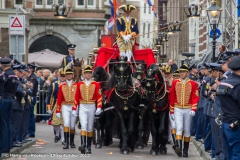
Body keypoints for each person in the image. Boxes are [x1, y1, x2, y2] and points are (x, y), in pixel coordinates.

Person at [169, 64, 199, 157]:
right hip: (178, 108)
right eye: (180, 72)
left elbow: (195, 96)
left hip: (188, 108)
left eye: (183, 72)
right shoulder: (175, 82)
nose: (181, 73)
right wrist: (172, 111)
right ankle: (178, 147)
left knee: (186, 129)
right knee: (179, 127)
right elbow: (172, 97)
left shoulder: (193, 83)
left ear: (187, 73)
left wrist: (194, 108)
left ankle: (185, 150)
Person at [74, 65, 102, 154]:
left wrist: (99, 107)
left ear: (91, 74)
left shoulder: (96, 84)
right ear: (84, 74)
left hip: (91, 106)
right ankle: (83, 145)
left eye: (89, 73)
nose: (88, 75)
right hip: (82, 106)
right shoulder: (79, 84)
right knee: (84, 125)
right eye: (86, 73)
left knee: (90, 127)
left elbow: (99, 96)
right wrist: (75, 108)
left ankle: (89, 147)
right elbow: (76, 96)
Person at [216, 56, 240, 160]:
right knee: (237, 154)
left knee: (229, 153)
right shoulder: (238, 85)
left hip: (226, 122)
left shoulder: (223, 84)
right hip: (236, 124)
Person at [0, 58, 19, 153]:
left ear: (2, 65)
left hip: (4, 100)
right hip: (11, 99)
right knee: (8, 123)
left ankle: (4, 146)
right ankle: (8, 145)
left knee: (3, 124)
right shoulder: (14, 75)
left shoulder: (5, 75)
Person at [56, 68, 77, 149]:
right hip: (65, 106)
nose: (69, 76)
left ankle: (72, 142)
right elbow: (59, 98)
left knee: (72, 125)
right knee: (66, 123)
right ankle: (66, 142)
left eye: (70, 74)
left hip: (73, 106)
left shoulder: (76, 85)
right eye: (67, 75)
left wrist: (76, 108)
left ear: (72, 75)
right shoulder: (62, 86)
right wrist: (58, 110)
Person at [46, 68, 66, 145]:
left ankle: (64, 139)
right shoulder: (55, 84)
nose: (63, 77)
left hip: (65, 105)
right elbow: (50, 95)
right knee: (55, 123)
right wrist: (48, 107)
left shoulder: (69, 84)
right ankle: (57, 134)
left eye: (64, 76)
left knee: (65, 123)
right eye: (61, 76)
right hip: (56, 105)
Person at [11, 64, 25, 148]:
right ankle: (13, 140)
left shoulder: (18, 80)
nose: (22, 74)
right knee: (15, 124)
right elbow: (18, 90)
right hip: (16, 105)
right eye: (20, 72)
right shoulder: (15, 79)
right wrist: (24, 91)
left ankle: (15, 139)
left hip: (19, 105)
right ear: (15, 72)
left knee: (17, 124)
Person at [27, 63, 38, 138]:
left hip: (32, 96)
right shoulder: (31, 76)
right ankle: (30, 131)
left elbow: (31, 87)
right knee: (30, 115)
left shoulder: (32, 77)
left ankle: (31, 132)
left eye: (29, 68)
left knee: (30, 115)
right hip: (31, 96)